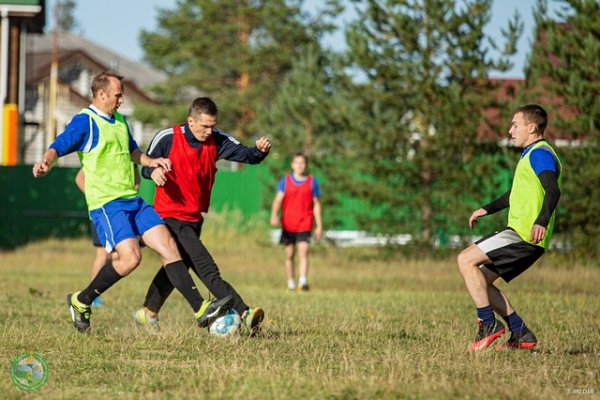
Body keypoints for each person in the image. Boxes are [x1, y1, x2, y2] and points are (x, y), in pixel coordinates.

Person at [33, 71, 233, 333]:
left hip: (133, 201)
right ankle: (81, 300)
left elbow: (133, 152)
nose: (121, 99)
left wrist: (152, 161)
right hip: (108, 204)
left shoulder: (119, 122)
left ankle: (200, 309)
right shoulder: (86, 121)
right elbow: (59, 145)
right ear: (102, 94)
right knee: (130, 259)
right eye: (118, 94)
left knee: (169, 246)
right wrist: (46, 162)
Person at [132, 97, 271, 336]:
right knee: (205, 267)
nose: (209, 131)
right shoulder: (167, 137)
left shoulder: (217, 140)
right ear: (191, 121)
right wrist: (153, 171)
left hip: (194, 217)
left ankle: (148, 313)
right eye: (205, 126)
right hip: (168, 216)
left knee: (175, 265)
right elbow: (145, 164)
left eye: (213, 126)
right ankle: (245, 313)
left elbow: (246, 155)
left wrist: (259, 151)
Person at [457, 104, 561, 352]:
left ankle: (488, 325)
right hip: (526, 236)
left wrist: (541, 220)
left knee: (465, 260)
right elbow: (516, 194)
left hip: (524, 234)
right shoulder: (530, 155)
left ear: (531, 127)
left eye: (515, 124)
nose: (510, 129)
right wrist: (487, 209)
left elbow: (553, 189)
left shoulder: (540, 153)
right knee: (481, 280)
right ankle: (520, 332)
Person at [74, 167, 141, 308]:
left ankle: (93, 292)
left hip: (120, 214)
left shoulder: (127, 155)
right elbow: (79, 178)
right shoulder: (99, 155)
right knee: (103, 253)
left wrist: (130, 195)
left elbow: (136, 179)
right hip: (101, 211)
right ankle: (91, 296)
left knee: (118, 255)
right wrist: (94, 197)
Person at [270, 153, 322, 291]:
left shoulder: (312, 182)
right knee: (289, 254)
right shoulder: (285, 181)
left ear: (306, 165)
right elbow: (278, 200)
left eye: (302, 163)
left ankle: (303, 282)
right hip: (288, 224)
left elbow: (316, 204)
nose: (300, 165)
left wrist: (319, 226)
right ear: (292, 165)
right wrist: (274, 214)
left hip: (305, 223)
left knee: (304, 251)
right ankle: (291, 283)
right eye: (297, 163)